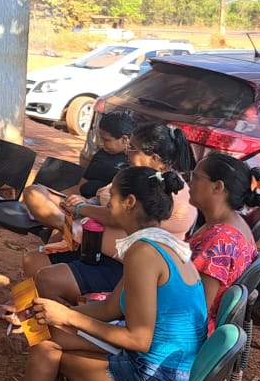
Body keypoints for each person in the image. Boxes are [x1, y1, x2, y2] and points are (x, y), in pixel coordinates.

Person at [0, 167, 207, 381]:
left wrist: (69, 318)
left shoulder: (144, 253)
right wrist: (57, 314)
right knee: (48, 338)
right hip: (168, 369)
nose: (105, 205)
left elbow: (139, 338)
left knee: (50, 352)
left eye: (111, 199)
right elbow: (111, 308)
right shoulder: (161, 244)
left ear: (130, 202)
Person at [22, 122, 197, 305]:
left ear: (153, 158)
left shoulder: (170, 193)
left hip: (122, 265)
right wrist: (87, 203)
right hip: (94, 247)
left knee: (49, 279)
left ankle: (62, 323)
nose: (126, 152)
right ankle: (33, 310)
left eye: (132, 148)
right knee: (33, 260)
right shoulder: (136, 176)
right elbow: (107, 202)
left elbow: (116, 216)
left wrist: (81, 209)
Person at [19, 109, 134, 234]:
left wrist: (89, 203)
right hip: (80, 203)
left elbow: (114, 204)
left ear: (124, 139)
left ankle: (68, 230)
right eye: (100, 138)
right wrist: (67, 197)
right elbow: (82, 183)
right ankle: (70, 230)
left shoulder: (132, 164)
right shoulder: (101, 154)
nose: (101, 144)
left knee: (54, 228)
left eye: (106, 140)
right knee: (33, 192)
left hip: (101, 211)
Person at [187, 152, 260, 324]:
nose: (189, 182)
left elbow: (198, 309)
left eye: (195, 177)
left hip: (184, 335)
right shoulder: (232, 223)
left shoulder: (220, 241)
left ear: (218, 187)